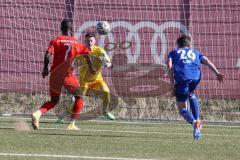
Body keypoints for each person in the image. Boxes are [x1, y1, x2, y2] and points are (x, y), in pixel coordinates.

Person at [31, 19, 95, 130]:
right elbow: (87, 55)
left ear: (61, 28)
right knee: (79, 97)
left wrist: (45, 68)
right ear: (72, 29)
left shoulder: (55, 40)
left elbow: (47, 55)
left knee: (54, 100)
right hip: (67, 75)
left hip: (54, 74)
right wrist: (91, 67)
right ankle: (71, 124)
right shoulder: (76, 43)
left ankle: (38, 113)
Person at [166, 35, 224, 140]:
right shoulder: (196, 52)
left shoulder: (173, 52)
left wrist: (172, 84)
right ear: (189, 45)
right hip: (196, 77)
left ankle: (194, 122)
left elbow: (169, 65)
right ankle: (197, 119)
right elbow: (206, 61)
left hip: (183, 78)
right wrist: (217, 73)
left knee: (182, 109)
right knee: (191, 94)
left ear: (178, 45)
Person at [57, 32, 115, 123]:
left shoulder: (100, 51)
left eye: (91, 41)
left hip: (97, 80)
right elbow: (72, 63)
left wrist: (107, 64)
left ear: (95, 41)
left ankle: (105, 111)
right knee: (78, 100)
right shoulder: (81, 52)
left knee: (106, 92)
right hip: (84, 82)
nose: (89, 43)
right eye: (88, 41)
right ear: (85, 41)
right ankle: (63, 116)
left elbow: (111, 64)